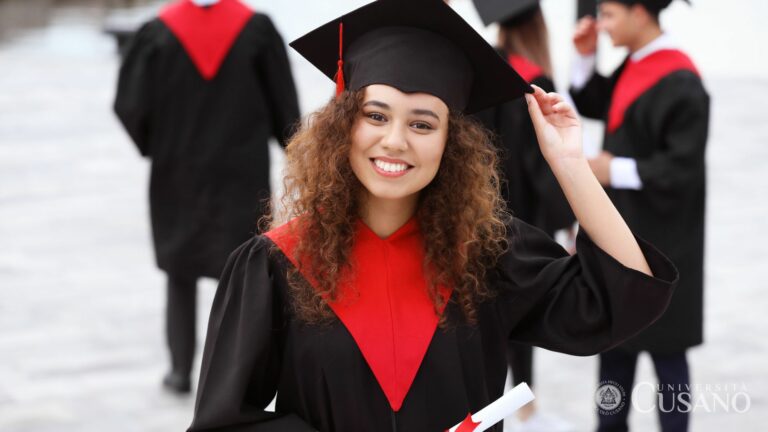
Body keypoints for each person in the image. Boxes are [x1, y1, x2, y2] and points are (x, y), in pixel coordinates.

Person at [187, 0, 679, 430]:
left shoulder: (487, 256)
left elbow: (620, 298)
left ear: (451, 142)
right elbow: (224, 422)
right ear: (343, 125)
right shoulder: (275, 266)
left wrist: (571, 165)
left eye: (423, 123)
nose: (395, 141)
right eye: (375, 115)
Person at [113, 0, 300, 394]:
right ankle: (229, 377)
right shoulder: (256, 30)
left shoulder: (156, 33)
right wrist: (294, 151)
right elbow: (285, 109)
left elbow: (129, 105)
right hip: (241, 174)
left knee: (179, 273)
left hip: (176, 171)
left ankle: (180, 371)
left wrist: (153, 145)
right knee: (237, 274)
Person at [569, 1, 708, 431]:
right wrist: (585, 53)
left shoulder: (682, 81)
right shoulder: (634, 65)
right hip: (623, 239)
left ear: (640, 13)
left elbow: (683, 168)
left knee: (668, 360)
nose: (602, 23)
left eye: (609, 15)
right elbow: (595, 101)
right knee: (615, 352)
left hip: (668, 244)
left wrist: (615, 169)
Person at [471, 1, 575, 430]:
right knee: (518, 315)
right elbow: (540, 163)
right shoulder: (535, 82)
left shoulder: (480, 69)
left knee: (477, 313)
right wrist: (571, 217)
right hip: (521, 221)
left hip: (472, 213)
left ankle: (481, 403)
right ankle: (524, 410)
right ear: (538, 27)